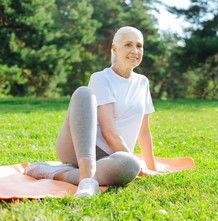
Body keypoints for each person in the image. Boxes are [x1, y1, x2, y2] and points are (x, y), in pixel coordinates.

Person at [25, 26, 165, 197]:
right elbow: (109, 133)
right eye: (128, 45)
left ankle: (54, 173)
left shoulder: (143, 82)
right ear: (115, 49)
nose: (135, 51)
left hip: (112, 157)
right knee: (83, 92)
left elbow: (144, 132)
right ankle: (86, 180)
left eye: (139, 45)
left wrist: (151, 169)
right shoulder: (101, 78)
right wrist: (140, 167)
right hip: (80, 148)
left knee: (130, 166)